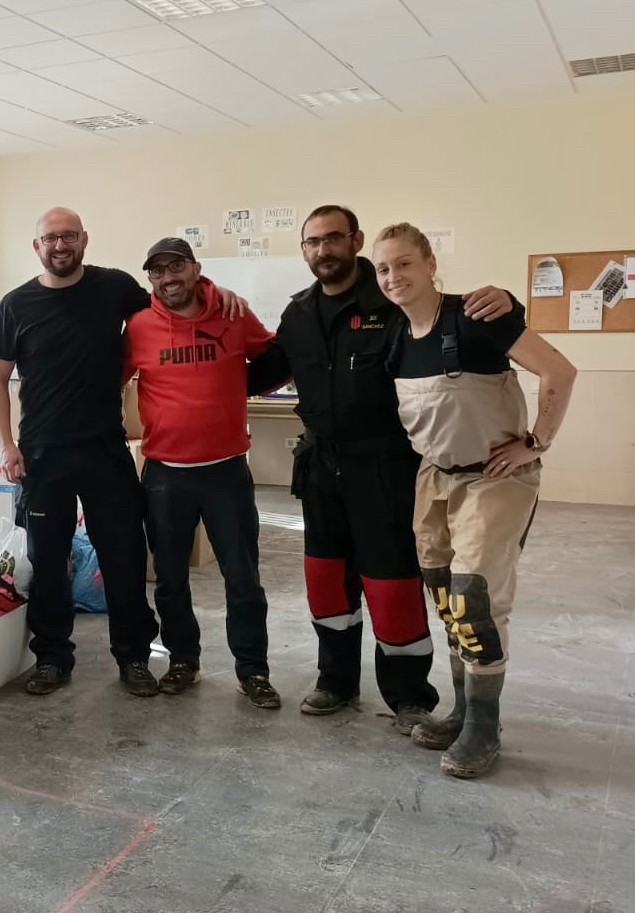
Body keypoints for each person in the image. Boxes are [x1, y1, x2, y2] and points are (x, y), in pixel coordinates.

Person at [246, 204, 517, 732]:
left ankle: (409, 695)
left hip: (386, 468)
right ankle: (335, 681)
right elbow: (262, 374)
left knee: (391, 584)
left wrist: (510, 304)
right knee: (326, 584)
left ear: (355, 241)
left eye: (332, 239)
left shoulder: (391, 302)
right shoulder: (298, 313)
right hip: (321, 467)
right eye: (311, 243)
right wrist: (214, 337)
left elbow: (452, 322)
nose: (322, 250)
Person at [0, 207, 245, 698]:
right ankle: (52, 657)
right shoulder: (16, 304)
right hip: (43, 456)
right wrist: (6, 445)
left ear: (84, 239)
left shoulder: (114, 287)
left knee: (123, 558)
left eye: (68, 236)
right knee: (48, 560)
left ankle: (133, 657)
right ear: (36, 246)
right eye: (50, 238)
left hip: (106, 450)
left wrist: (216, 293)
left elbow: (173, 303)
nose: (59, 245)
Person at [373, 222, 575, 777]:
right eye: (384, 268)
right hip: (434, 479)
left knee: (475, 598)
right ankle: (463, 710)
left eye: (404, 263)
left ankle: (485, 727)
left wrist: (536, 442)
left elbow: (559, 369)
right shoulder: (396, 336)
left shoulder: (477, 315)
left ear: (430, 263)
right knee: (445, 598)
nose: (394, 277)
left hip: (494, 480)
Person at [122, 237, 279, 708]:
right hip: (166, 476)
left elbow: (272, 357)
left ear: (195, 269)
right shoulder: (139, 327)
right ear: (151, 278)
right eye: (158, 271)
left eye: (177, 268)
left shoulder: (232, 313)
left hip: (227, 472)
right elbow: (109, 381)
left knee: (243, 577)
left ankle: (253, 671)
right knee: (170, 579)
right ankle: (182, 661)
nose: (169, 278)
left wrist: (237, 392)